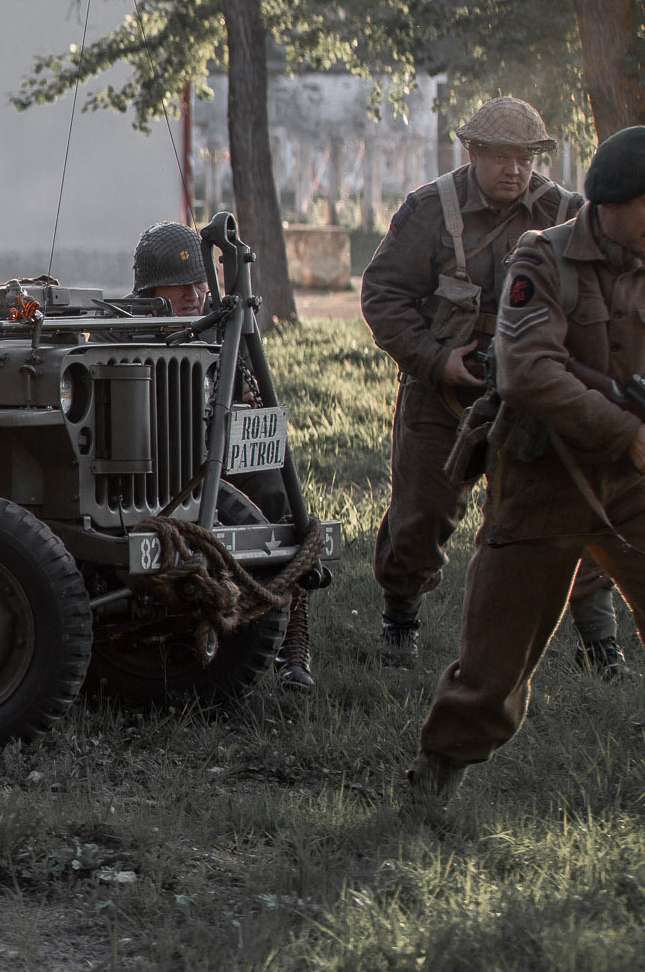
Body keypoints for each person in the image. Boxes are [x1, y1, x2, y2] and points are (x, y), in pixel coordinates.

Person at [410, 125, 645, 804]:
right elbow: (526, 370)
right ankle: (434, 779)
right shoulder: (543, 258)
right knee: (493, 663)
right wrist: (625, 430)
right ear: (612, 201)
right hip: (543, 477)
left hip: (631, 484)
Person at [358, 97, 622, 672]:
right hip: (444, 393)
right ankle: (399, 621)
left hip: (536, 397)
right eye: (501, 156)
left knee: (574, 510)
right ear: (472, 152)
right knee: (419, 516)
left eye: (525, 158)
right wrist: (435, 360)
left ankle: (601, 645)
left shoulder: (567, 213)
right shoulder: (429, 211)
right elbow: (383, 295)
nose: (514, 170)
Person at [132, 221, 316, 690]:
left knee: (280, 498)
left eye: (200, 281)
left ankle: (293, 637)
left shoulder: (224, 328)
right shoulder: (128, 332)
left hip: (220, 460)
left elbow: (252, 404)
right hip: (149, 467)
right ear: (152, 287)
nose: (194, 293)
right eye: (180, 283)